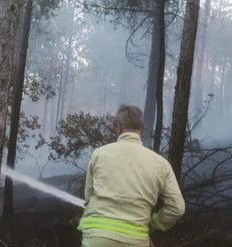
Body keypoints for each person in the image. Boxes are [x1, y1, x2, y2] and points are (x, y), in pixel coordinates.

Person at [79, 105, 185, 247]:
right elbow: (177, 208)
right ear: (142, 127)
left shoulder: (100, 154)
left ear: (118, 127)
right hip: (135, 240)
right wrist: (153, 223)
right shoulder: (160, 163)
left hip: (96, 238)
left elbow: (88, 198)